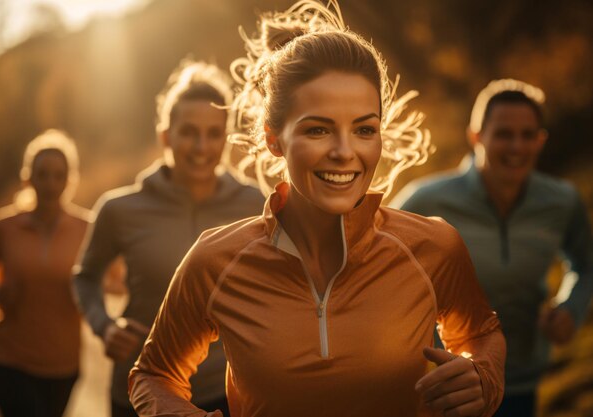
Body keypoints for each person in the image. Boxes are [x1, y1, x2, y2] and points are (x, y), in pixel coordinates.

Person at [128, 2, 506, 416]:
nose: (345, 152)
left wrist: (483, 378)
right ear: (274, 139)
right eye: (318, 129)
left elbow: (482, 334)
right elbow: (153, 374)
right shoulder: (215, 261)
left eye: (364, 129)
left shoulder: (433, 246)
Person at [73, 60, 264, 417]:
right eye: (189, 132)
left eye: (213, 133)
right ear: (166, 136)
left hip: (225, 392)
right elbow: (85, 277)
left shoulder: (256, 204)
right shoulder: (119, 209)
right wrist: (105, 326)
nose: (202, 146)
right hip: (140, 388)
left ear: (227, 137)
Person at [392, 79, 593, 416]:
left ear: (541, 140)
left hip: (520, 383)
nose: (516, 146)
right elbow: (372, 259)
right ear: (476, 137)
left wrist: (570, 309)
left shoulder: (562, 202)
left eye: (528, 135)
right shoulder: (426, 199)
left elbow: (586, 264)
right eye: (503, 134)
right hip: (445, 387)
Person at [0, 130, 90, 417]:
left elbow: (111, 283)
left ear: (69, 180)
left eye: (58, 175)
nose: (50, 183)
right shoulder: (2, 227)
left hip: (64, 364)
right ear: (28, 178)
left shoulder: (88, 229)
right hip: (9, 358)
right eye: (42, 174)